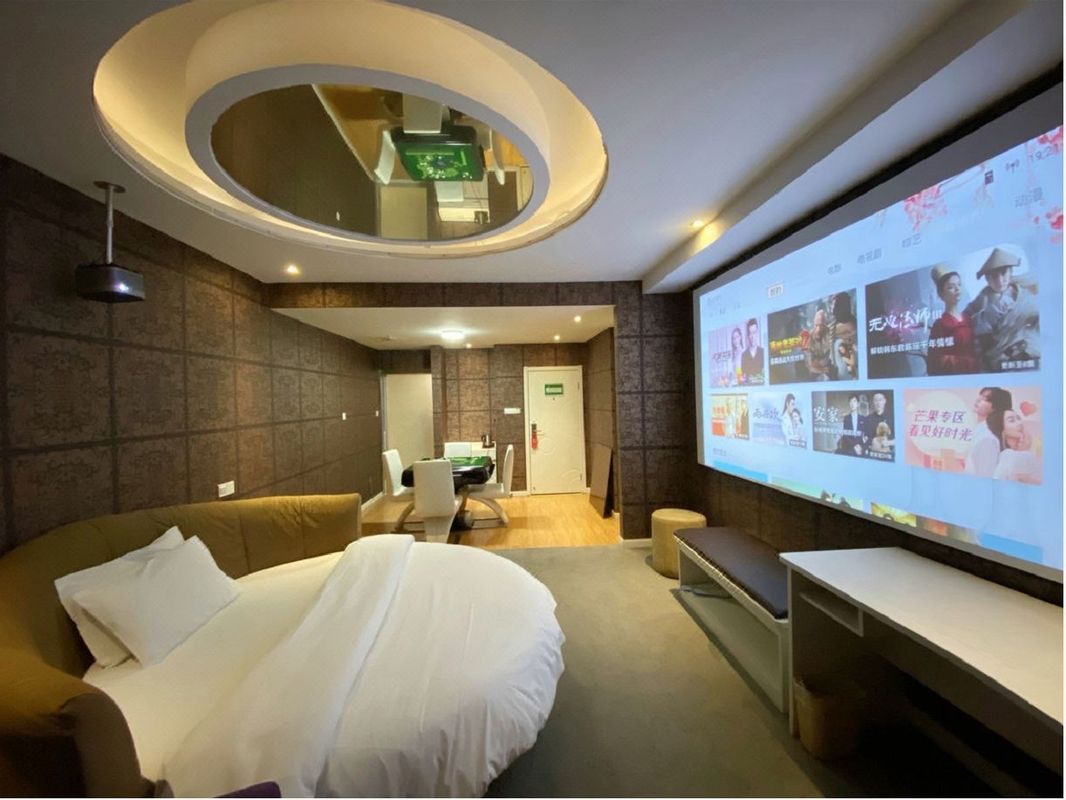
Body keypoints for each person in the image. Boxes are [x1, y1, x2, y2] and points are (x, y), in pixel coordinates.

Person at [963, 247, 1039, 372]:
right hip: (998, 353)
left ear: (1010, 273)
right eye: (994, 276)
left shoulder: (1024, 294)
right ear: (987, 279)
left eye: (1003, 273)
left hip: (1026, 346)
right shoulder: (983, 299)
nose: (1000, 281)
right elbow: (966, 317)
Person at [927, 264, 979, 375]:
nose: (957, 289)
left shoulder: (968, 317)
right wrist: (967, 363)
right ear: (941, 293)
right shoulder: (940, 325)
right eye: (951, 287)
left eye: (959, 285)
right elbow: (935, 361)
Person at [965, 387, 1012, 477]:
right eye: (980, 396)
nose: (978, 400)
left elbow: (985, 475)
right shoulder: (980, 429)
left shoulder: (988, 437)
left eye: (985, 399)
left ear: (996, 407)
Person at [987, 408, 1042, 484]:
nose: (1019, 423)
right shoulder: (1008, 455)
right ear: (1001, 428)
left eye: (1019, 418)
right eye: (1011, 420)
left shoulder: (1025, 452)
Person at [829, 292, 858, 379]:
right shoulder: (835, 324)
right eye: (831, 304)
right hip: (839, 373)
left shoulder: (849, 324)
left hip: (848, 375)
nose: (831, 307)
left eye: (834, 304)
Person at [805, 308, 833, 380]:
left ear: (825, 324)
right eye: (816, 325)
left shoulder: (830, 331)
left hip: (828, 363)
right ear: (813, 324)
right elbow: (811, 365)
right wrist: (823, 369)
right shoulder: (809, 338)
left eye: (821, 325)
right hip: (816, 366)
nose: (819, 329)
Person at [740, 318, 764, 384]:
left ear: (757, 333)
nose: (752, 336)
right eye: (750, 333)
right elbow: (743, 378)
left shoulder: (763, 352)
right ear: (748, 335)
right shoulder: (744, 355)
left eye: (754, 332)